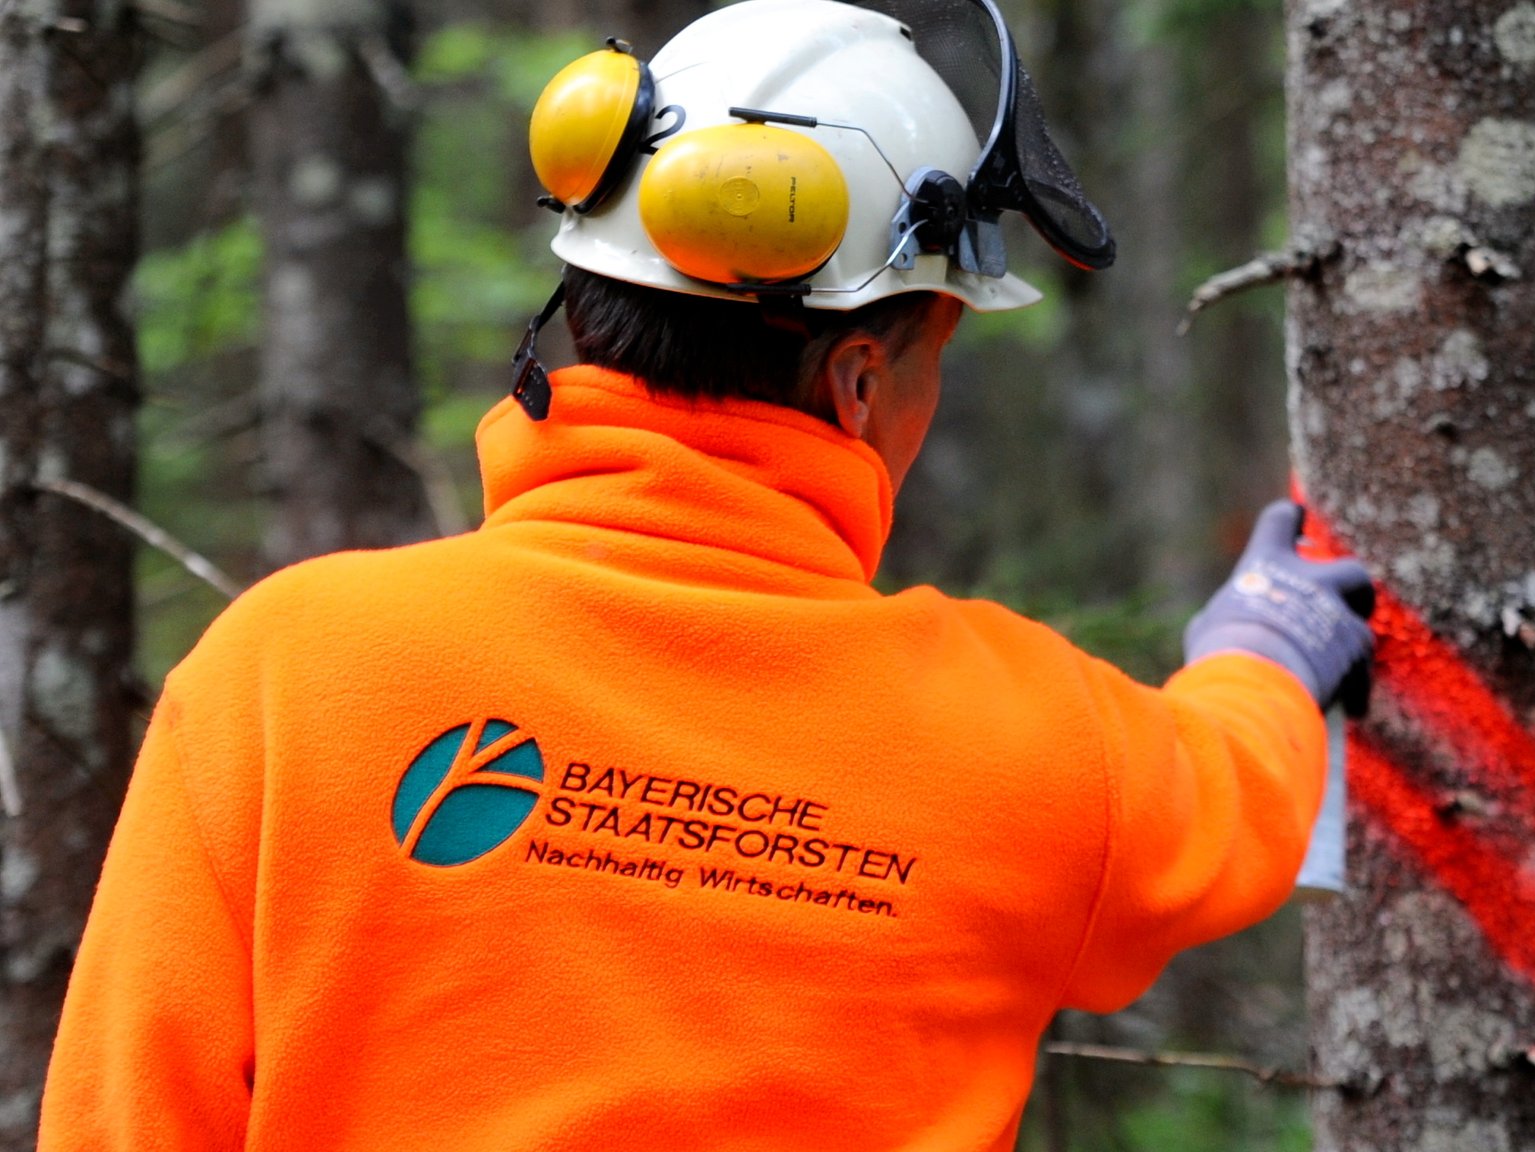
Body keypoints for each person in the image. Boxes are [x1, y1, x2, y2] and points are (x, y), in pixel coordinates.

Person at [38, 1, 1374, 1148]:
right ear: (861, 380)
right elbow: (1235, 794)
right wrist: (1267, 647)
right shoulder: (1032, 739)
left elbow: (123, 1117)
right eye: (933, 360)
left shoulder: (288, 668)